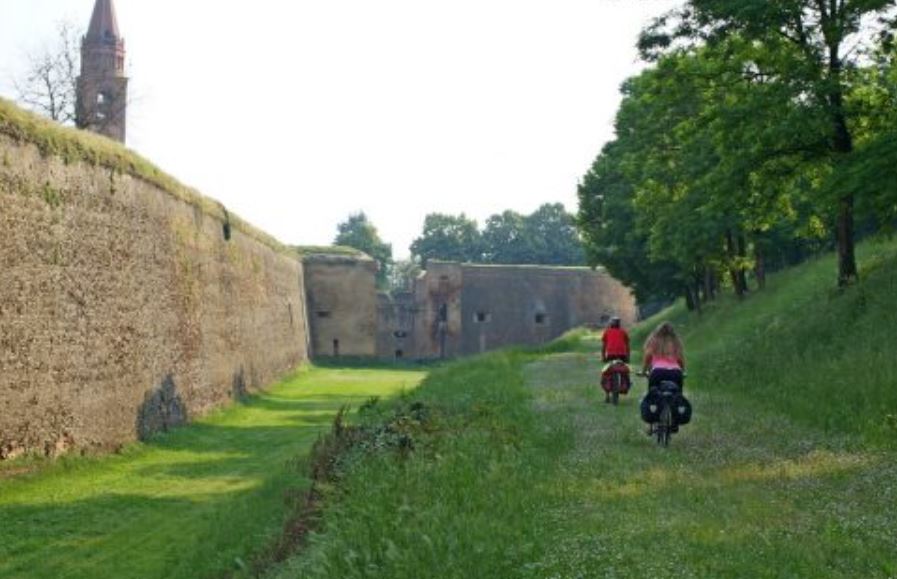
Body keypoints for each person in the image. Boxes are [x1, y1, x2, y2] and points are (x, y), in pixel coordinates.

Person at [641, 322, 685, 390]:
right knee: (678, 397)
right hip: (675, 373)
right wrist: (682, 371)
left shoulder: (654, 340)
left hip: (658, 372)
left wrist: (644, 371)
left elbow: (648, 356)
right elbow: (680, 359)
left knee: (652, 397)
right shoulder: (676, 341)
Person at [600, 316, 631, 403]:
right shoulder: (623, 332)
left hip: (610, 355)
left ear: (611, 324)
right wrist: (628, 357)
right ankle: (626, 384)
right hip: (622, 355)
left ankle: (607, 394)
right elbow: (627, 346)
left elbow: (603, 346)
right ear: (619, 324)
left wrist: (603, 357)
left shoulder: (607, 332)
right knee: (624, 371)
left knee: (607, 372)